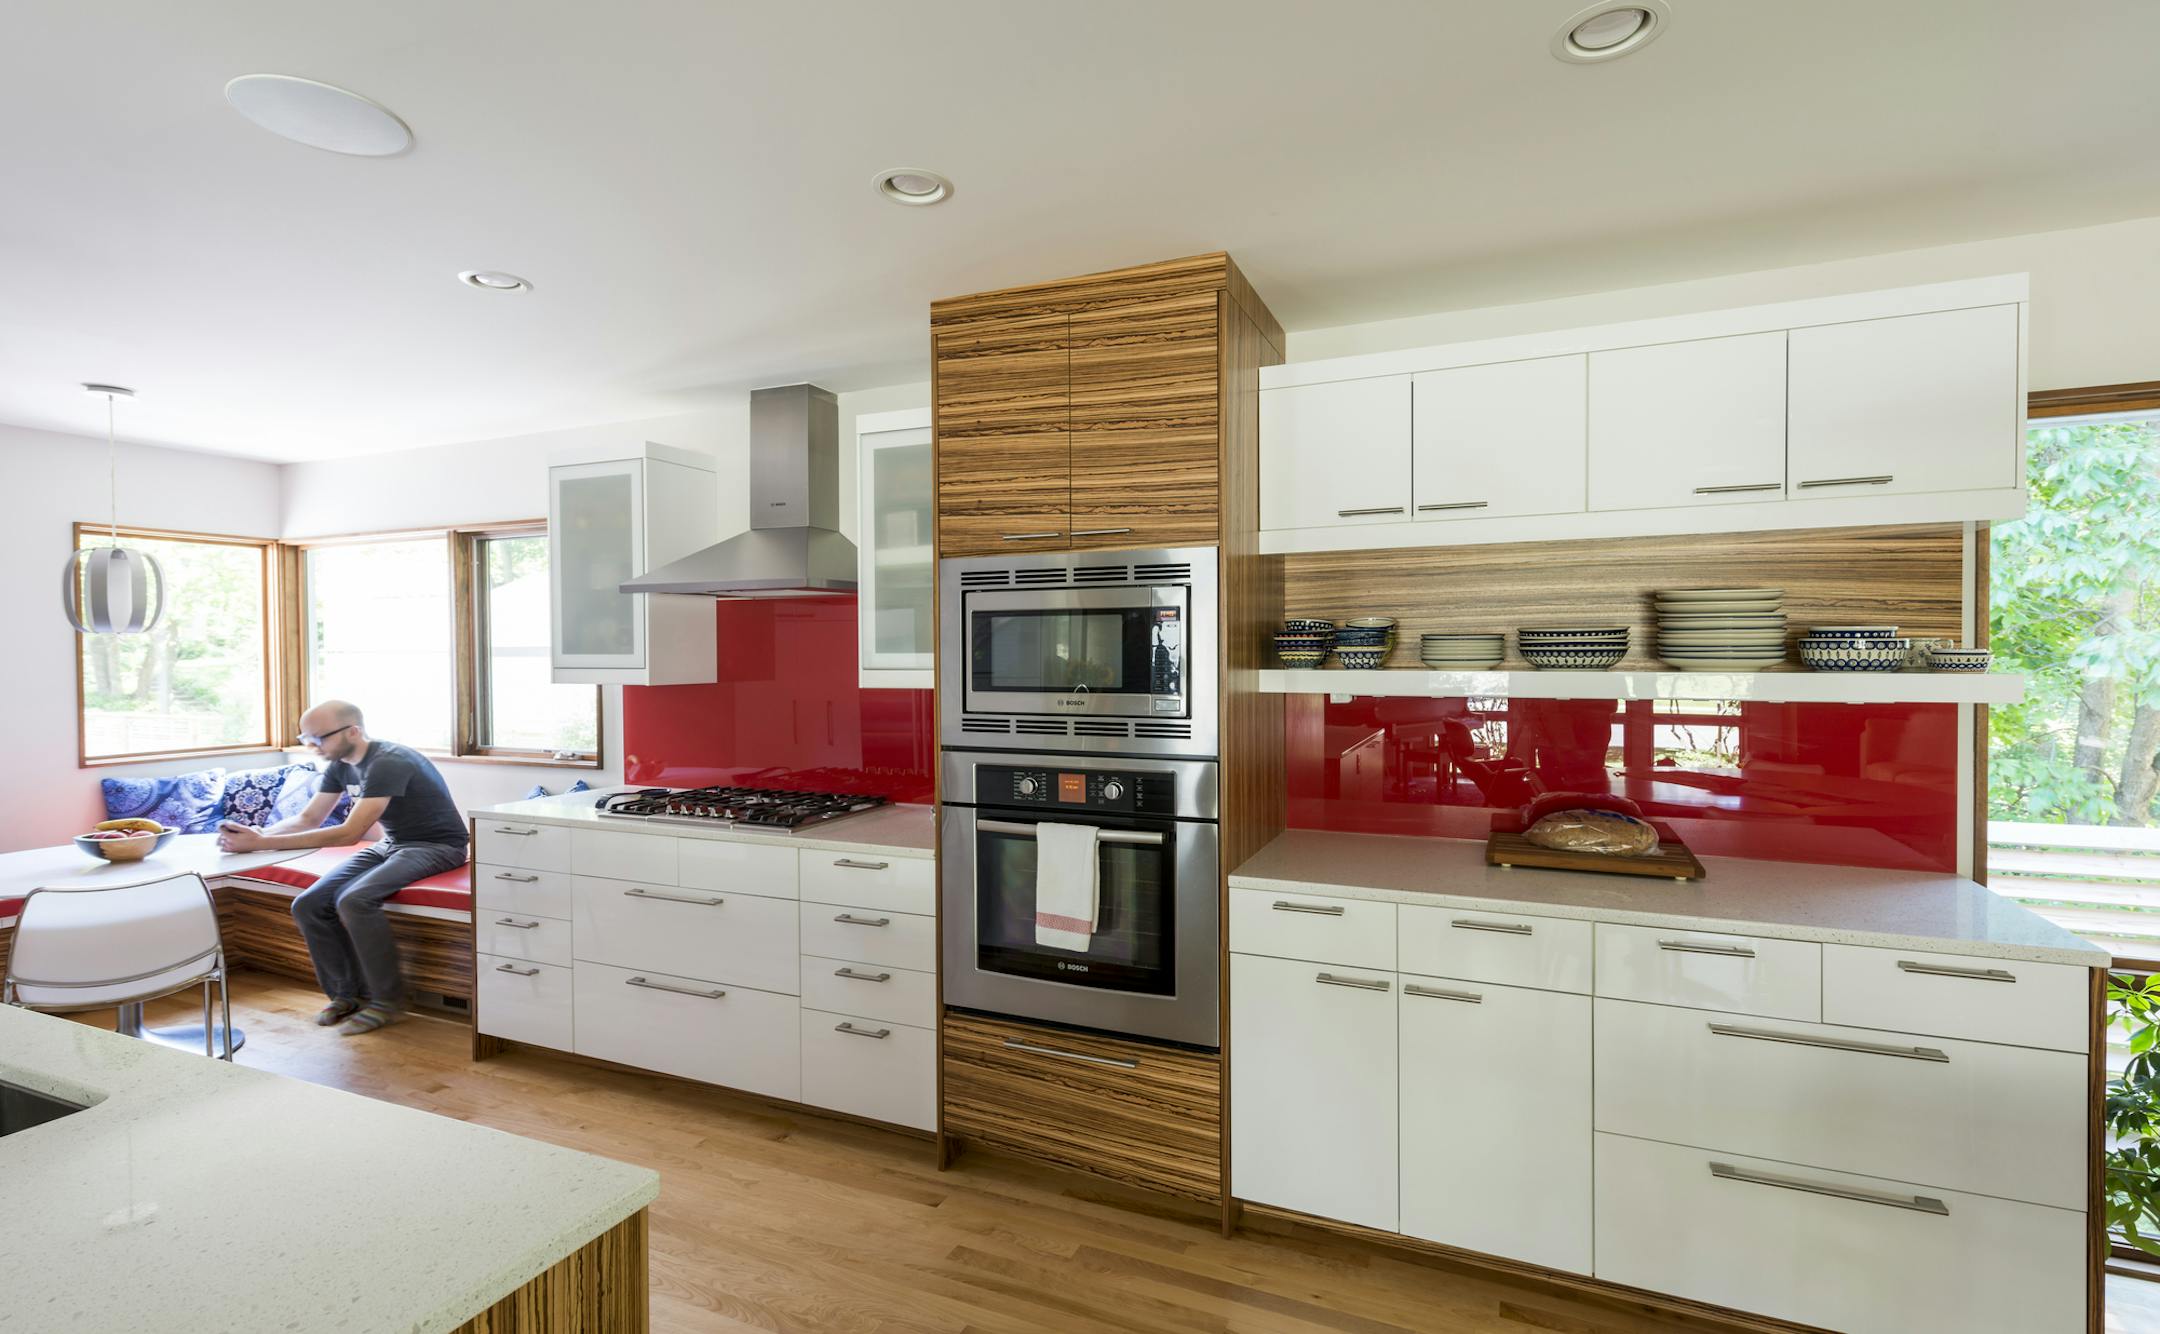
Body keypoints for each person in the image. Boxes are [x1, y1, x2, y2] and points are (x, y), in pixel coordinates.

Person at [217, 701, 468, 1035]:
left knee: (354, 900)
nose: (312, 747)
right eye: (306, 738)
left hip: (438, 846)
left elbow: (349, 833)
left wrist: (260, 845)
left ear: (353, 731)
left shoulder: (388, 762)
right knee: (308, 904)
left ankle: (385, 1002)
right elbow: (309, 818)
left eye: (319, 738)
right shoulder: (340, 764)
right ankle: (345, 995)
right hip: (392, 844)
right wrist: (258, 834)